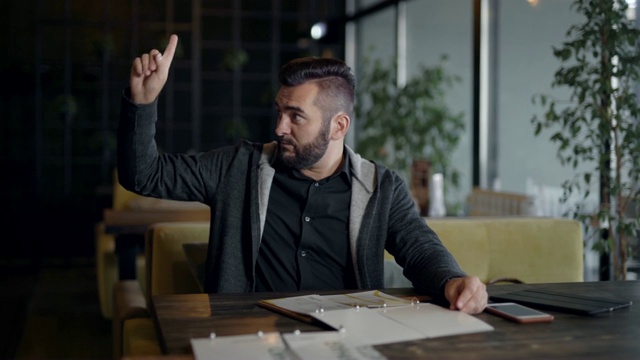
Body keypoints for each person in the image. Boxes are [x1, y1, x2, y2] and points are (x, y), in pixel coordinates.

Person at [118, 34, 487, 314]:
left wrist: (453, 281)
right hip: (246, 332)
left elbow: (420, 249)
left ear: (338, 126)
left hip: (346, 334)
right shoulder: (237, 168)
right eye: (280, 111)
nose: (280, 127)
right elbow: (144, 175)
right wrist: (143, 102)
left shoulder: (381, 188)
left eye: (296, 116)